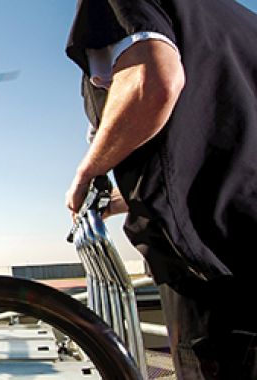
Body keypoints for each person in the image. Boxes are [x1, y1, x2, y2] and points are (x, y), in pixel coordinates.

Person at [63, 1, 257, 378]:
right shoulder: (239, 19)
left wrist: (88, 172)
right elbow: (218, 138)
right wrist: (125, 197)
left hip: (212, 273)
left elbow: (154, 83)